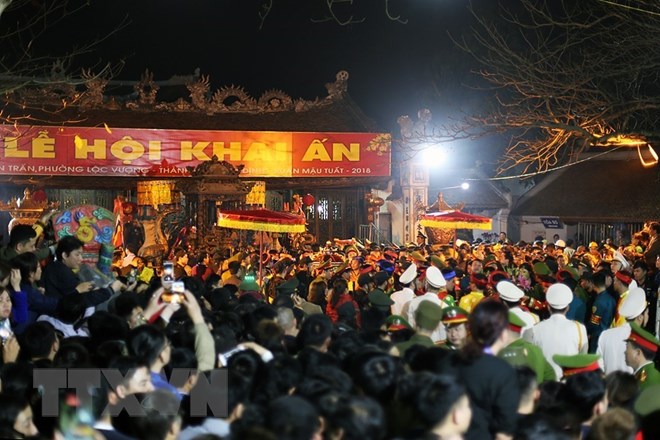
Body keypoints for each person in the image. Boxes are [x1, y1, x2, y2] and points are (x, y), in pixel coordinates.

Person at [527, 283, 588, 379]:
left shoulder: (535, 329)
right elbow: (583, 358)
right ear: (567, 308)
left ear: (548, 307)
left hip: (545, 381)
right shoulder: (579, 328)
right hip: (569, 381)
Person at [42, 235, 124, 306]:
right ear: (65, 255)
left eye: (81, 255)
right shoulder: (63, 273)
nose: (81, 259)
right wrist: (111, 290)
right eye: (77, 254)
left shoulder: (53, 267)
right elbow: (81, 303)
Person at [597, 287, 647, 374]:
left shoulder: (605, 335)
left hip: (609, 382)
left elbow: (599, 367)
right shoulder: (642, 340)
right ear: (640, 317)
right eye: (647, 314)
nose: (648, 317)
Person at [624, 322, 660, 389]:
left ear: (637, 353)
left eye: (627, 348)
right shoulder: (645, 374)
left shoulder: (648, 381)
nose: (625, 352)